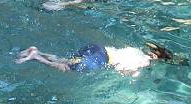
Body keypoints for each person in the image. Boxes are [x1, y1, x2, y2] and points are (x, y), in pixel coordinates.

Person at [15, 42, 188, 75]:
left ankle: (38, 51)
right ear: (158, 59)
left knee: (67, 61)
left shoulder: (136, 49)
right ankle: (36, 57)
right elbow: (122, 69)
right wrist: (132, 75)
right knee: (66, 69)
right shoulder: (145, 62)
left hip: (97, 48)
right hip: (100, 60)